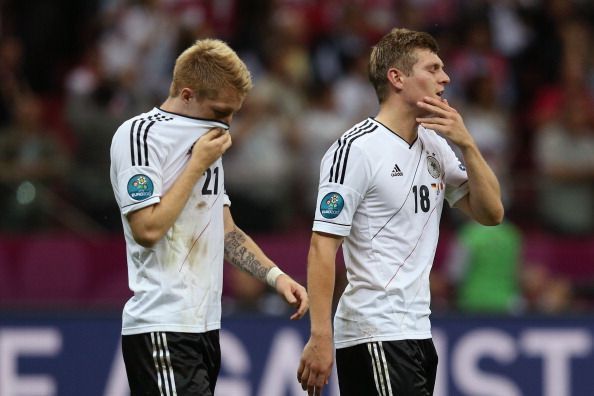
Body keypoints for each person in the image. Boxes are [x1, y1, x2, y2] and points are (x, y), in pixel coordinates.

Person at [297, 27, 504, 396]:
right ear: (397, 78)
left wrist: (468, 145)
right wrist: (320, 335)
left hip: (416, 330)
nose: (446, 78)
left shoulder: (436, 145)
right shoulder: (356, 150)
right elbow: (322, 246)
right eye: (433, 68)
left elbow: (491, 213)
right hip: (375, 329)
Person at [109, 38, 308, 395]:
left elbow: (224, 229)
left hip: (204, 328)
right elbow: (147, 228)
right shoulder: (140, 136)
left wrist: (276, 277)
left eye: (233, 113)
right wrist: (196, 164)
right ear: (187, 94)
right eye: (219, 111)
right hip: (162, 326)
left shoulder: (207, 139)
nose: (227, 124)